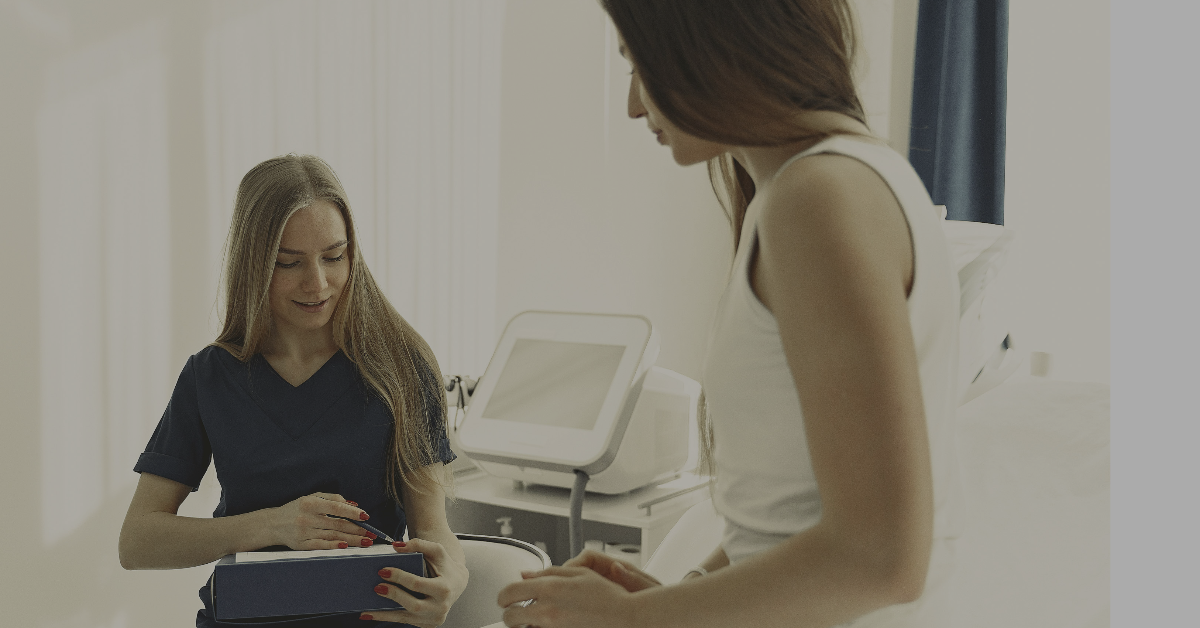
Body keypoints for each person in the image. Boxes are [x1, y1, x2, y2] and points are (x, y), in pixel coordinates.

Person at [497, 1, 964, 627]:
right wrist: (669, 596)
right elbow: (788, 518)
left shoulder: (819, 198)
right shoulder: (829, 184)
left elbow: (881, 558)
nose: (635, 105)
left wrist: (634, 621)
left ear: (709, 42)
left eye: (640, 67)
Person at [118, 154, 468, 628]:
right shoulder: (211, 376)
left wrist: (453, 579)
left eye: (334, 256)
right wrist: (273, 525)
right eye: (289, 263)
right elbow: (137, 542)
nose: (318, 283)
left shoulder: (402, 367)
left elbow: (433, 528)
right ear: (253, 262)